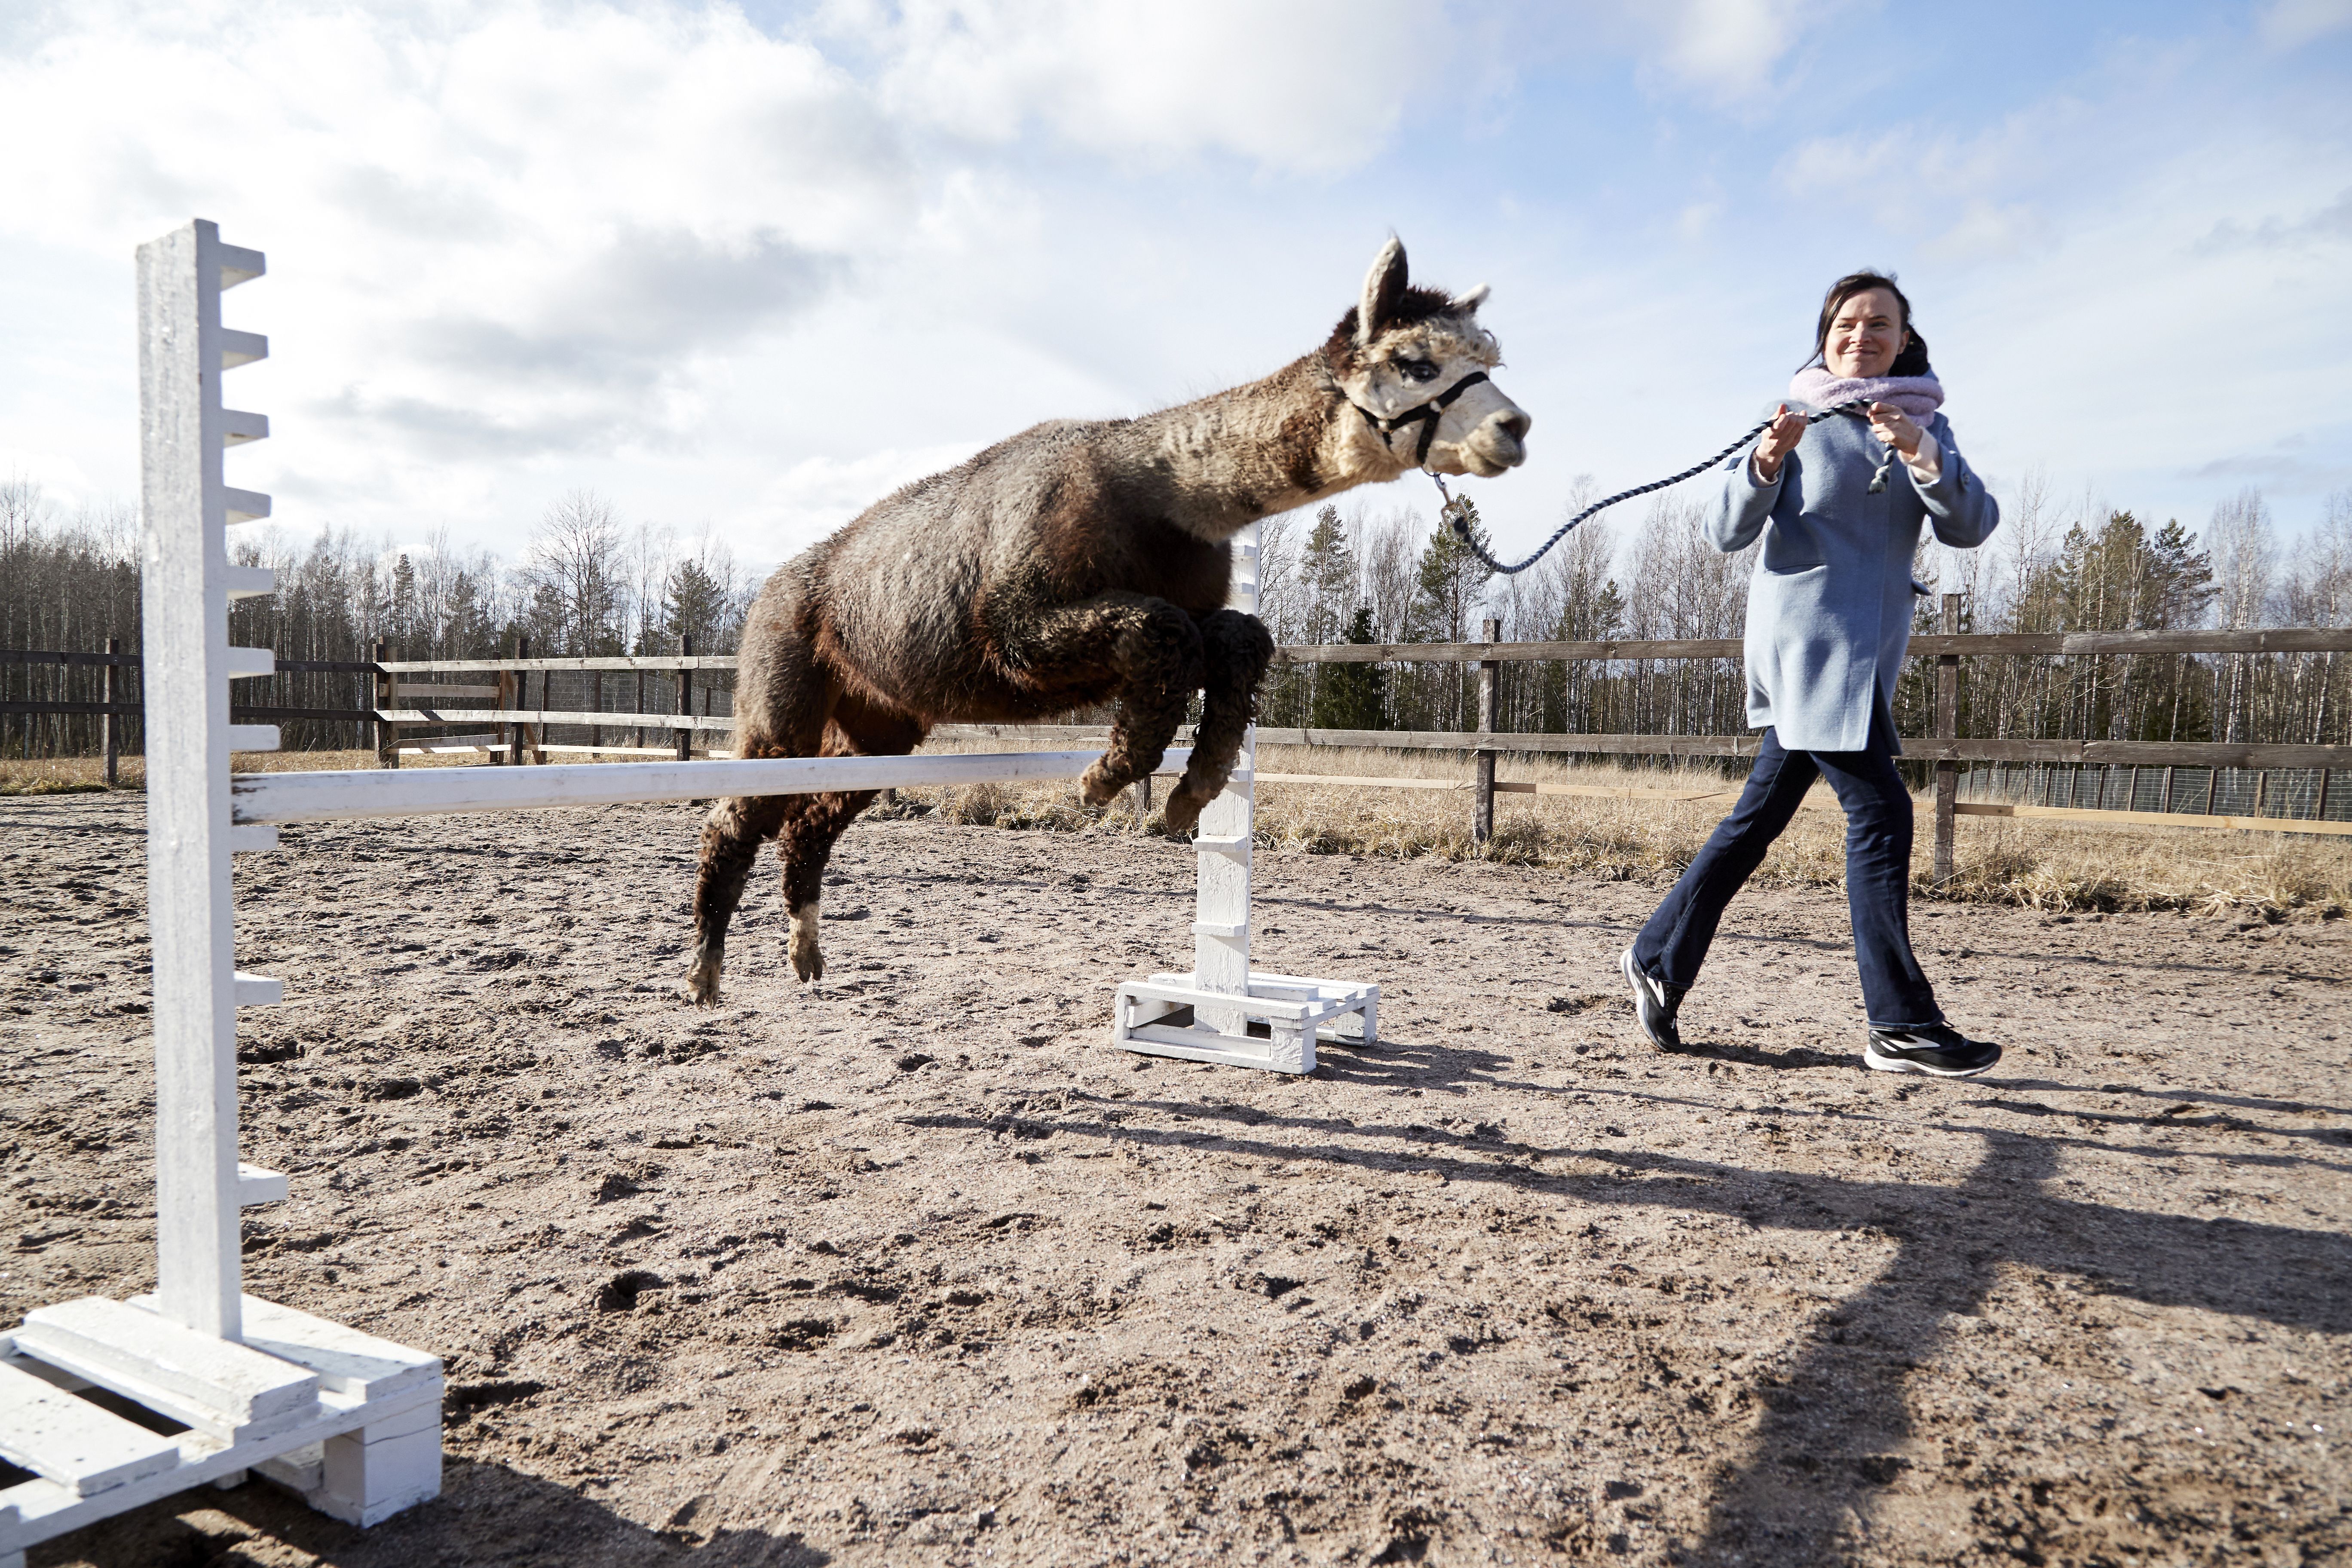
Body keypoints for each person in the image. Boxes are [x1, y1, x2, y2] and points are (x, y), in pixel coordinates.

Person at [1618, 270, 2003, 1078]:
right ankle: (1900, 1022)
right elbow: (1725, 531)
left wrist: (1921, 452)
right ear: (1825, 338)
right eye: (1846, 325)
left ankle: (1658, 956)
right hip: (1806, 651)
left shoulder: (1926, 424)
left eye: (1879, 325)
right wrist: (1764, 462)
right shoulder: (1795, 418)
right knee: (1881, 811)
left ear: (1905, 339)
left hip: (1868, 660)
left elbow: (1971, 526)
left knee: (1755, 822)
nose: (1861, 336)